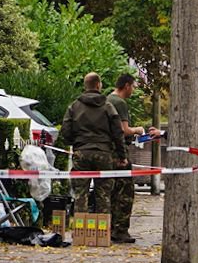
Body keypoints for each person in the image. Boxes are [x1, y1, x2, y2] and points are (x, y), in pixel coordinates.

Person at [60, 72, 126, 229]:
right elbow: (118, 132)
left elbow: (65, 131)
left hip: (81, 153)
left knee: (80, 193)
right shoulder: (108, 106)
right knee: (103, 194)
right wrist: (121, 154)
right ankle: (102, 232)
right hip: (103, 153)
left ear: (85, 85)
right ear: (98, 85)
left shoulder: (74, 106)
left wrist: (75, 144)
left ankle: (81, 232)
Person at [107, 73, 160, 243]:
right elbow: (124, 129)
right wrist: (137, 130)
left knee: (111, 192)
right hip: (119, 152)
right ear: (127, 85)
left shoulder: (107, 99)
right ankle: (120, 230)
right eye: (134, 86)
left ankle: (108, 227)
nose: (134, 89)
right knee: (125, 192)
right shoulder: (120, 103)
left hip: (107, 152)